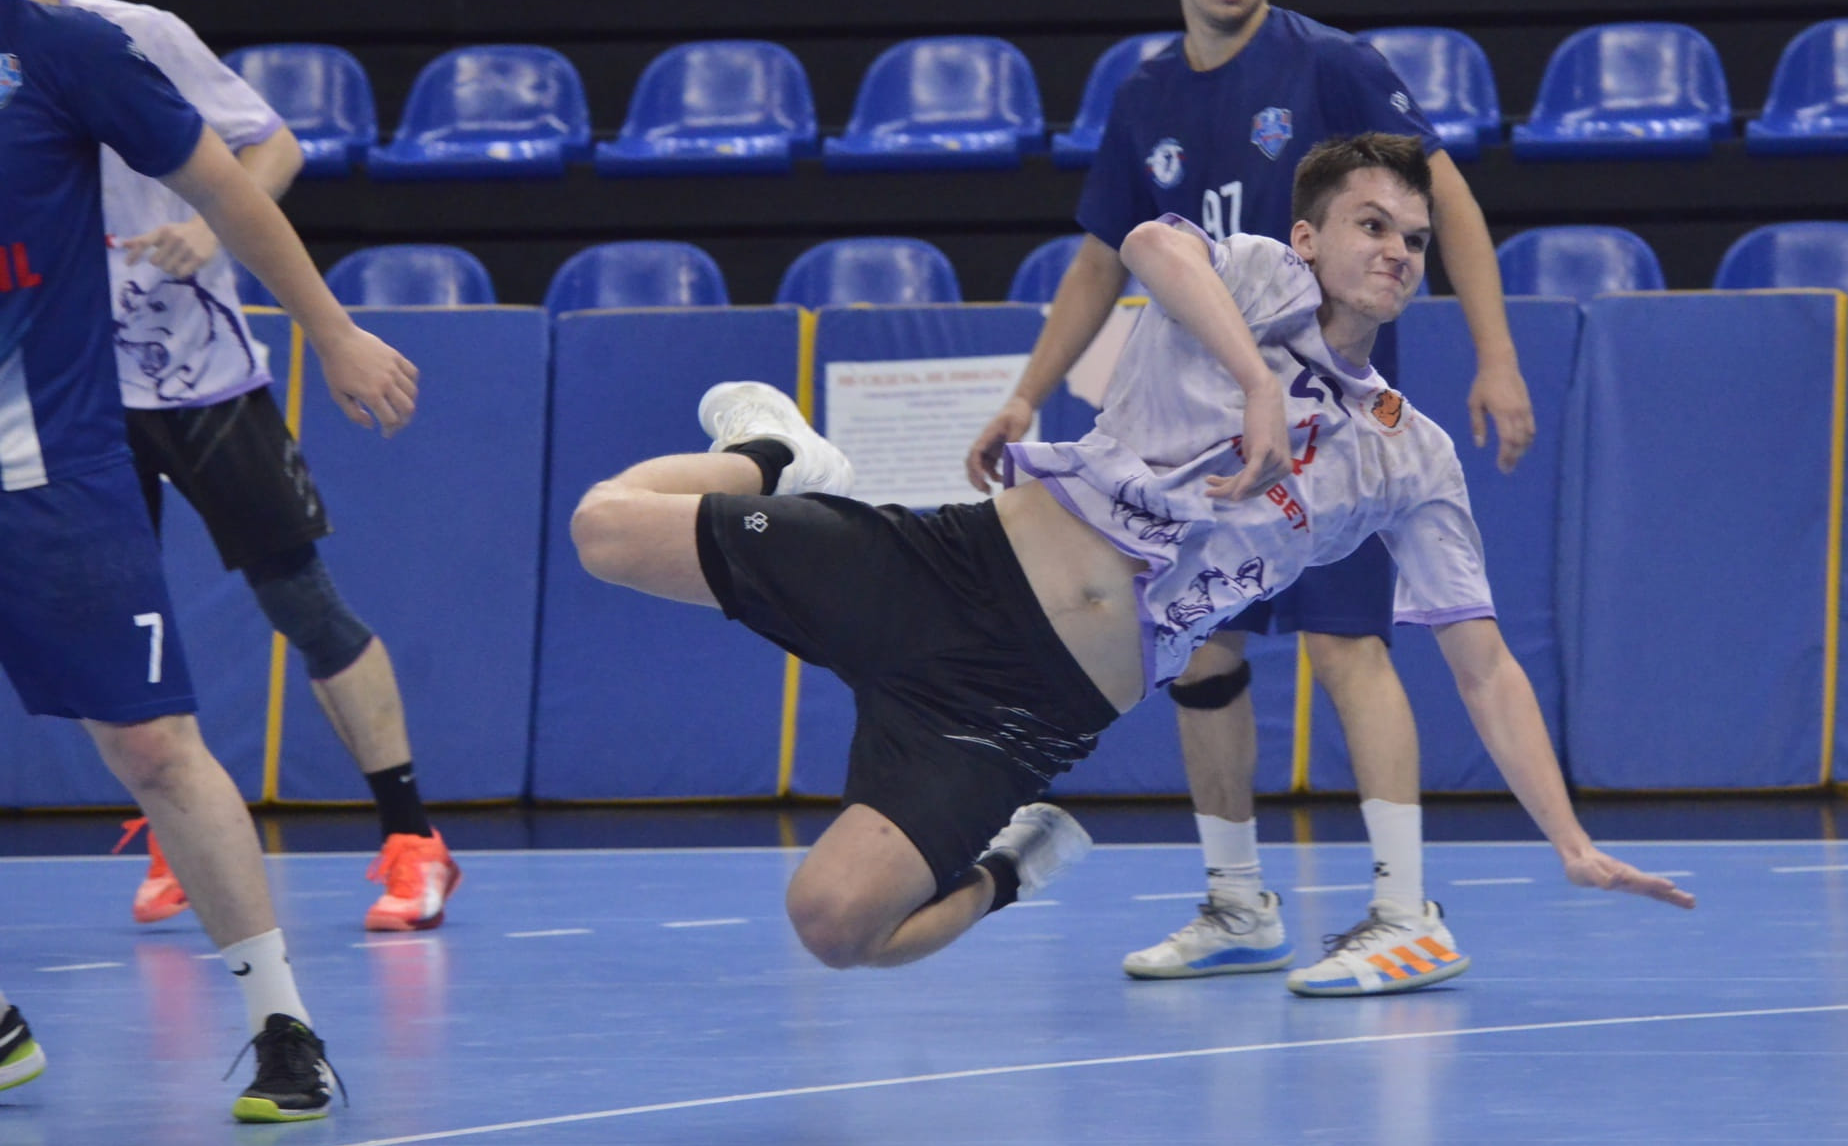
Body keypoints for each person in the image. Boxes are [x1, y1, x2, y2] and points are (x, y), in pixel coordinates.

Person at [573, 134, 1690, 979]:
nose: (1397, 251)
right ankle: (780, 456)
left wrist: (1570, 841)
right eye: (1371, 224)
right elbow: (1150, 243)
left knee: (836, 928)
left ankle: (1013, 865)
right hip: (954, 570)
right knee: (605, 528)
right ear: (1308, 239)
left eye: (1414, 237)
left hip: (1028, 706)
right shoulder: (1254, 279)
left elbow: (1483, 665)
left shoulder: (1412, 455)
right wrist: (1255, 381)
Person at [963, 0, 1538, 994]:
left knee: (1346, 643)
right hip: (1198, 437)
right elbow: (1102, 259)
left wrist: (1496, 355)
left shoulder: (1331, 65)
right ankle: (1237, 902)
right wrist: (1027, 390)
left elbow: (1448, 199)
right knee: (1203, 648)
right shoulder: (1143, 98)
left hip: (1330, 421)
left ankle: (1403, 910)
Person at [0, 0, 418, 1120]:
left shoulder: (64, 52)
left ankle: (283, 1026)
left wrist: (332, 329)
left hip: (49, 468)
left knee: (152, 747)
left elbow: (232, 180)